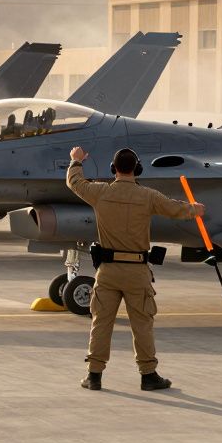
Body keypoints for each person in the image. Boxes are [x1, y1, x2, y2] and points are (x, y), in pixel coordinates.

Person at [66, 145, 204, 391]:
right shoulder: (148, 196)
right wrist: (195, 210)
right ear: (137, 169)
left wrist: (76, 161)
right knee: (142, 324)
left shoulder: (100, 193)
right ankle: (148, 375)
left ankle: (94, 375)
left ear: (113, 168)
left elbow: (75, 183)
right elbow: (175, 209)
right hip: (137, 271)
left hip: (108, 271)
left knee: (101, 323)